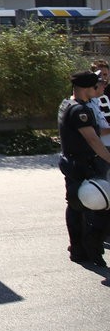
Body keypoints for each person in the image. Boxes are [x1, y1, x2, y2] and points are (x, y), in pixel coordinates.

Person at [58, 71, 110, 267]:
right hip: (83, 165)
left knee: (75, 206)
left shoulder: (67, 104)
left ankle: (78, 249)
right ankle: (92, 245)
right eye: (96, 85)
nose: (99, 88)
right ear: (87, 88)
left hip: (72, 162)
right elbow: (92, 139)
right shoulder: (80, 111)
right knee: (102, 205)